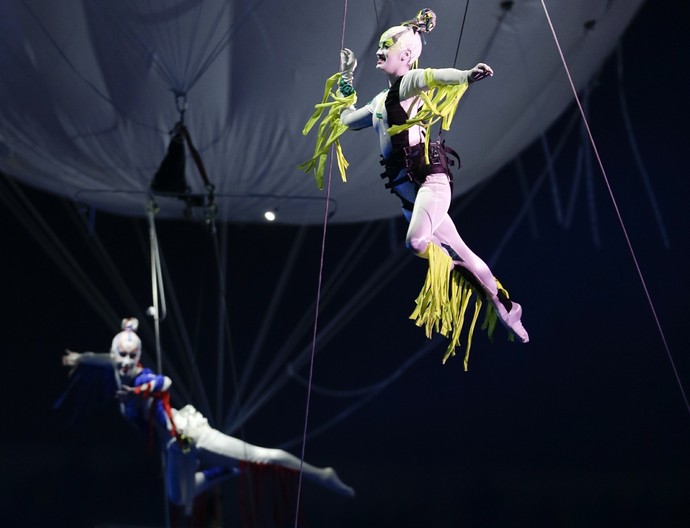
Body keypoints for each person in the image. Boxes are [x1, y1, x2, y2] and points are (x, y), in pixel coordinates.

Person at [302, 9, 528, 366]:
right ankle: (505, 305)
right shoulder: (379, 103)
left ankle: (460, 275)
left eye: (385, 47)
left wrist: (467, 76)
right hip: (408, 193)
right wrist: (346, 76)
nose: (378, 51)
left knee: (416, 242)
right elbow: (345, 119)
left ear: (405, 57)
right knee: (460, 247)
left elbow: (435, 77)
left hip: (430, 183)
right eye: (379, 46)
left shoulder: (408, 83)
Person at [61, 318, 354, 516]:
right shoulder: (115, 367)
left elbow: (163, 383)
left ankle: (321, 474)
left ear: (138, 358)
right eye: (121, 356)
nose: (125, 363)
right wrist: (81, 358)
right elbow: (103, 359)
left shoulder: (140, 378)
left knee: (261, 457)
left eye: (131, 357)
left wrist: (140, 394)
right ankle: (225, 471)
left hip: (190, 435)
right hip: (176, 449)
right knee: (182, 502)